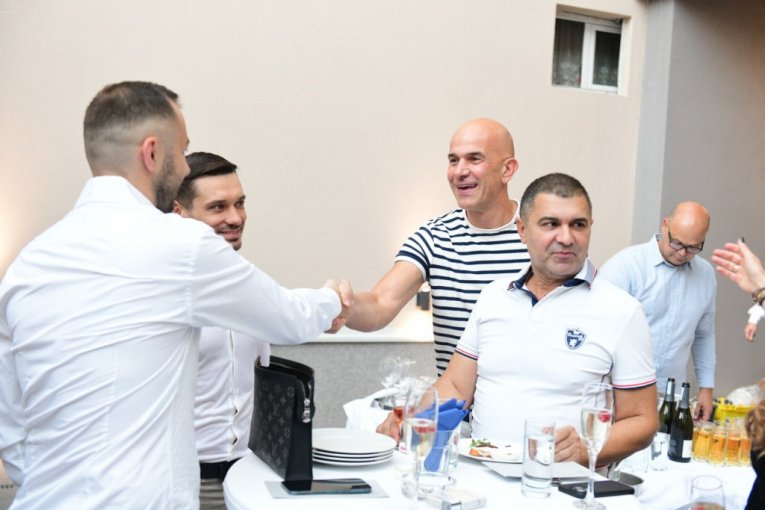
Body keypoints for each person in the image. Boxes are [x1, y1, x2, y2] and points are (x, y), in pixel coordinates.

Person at [0, 81, 349, 509]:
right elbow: (290, 318)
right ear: (152, 153)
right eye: (182, 151)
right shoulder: (180, 245)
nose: (184, 167)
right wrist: (333, 298)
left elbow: (11, 426)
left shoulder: (27, 265)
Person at [378, 173, 658, 467]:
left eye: (578, 224)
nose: (566, 238)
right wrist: (415, 419)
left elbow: (642, 420)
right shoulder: (494, 296)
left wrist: (583, 449)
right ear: (522, 230)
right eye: (550, 224)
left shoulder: (622, 310)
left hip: (562, 483)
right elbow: (457, 387)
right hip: (481, 475)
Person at [344, 118, 529, 375]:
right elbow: (379, 303)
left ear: (507, 170)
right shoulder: (435, 236)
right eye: (453, 160)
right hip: (455, 401)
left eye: (474, 159)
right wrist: (344, 307)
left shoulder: (540, 236)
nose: (459, 171)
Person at [171, 151, 260, 509]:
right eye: (218, 207)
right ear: (179, 213)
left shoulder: (253, 284)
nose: (235, 218)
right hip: (186, 484)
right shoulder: (161, 292)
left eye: (240, 203)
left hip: (251, 476)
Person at [599, 202, 716, 421]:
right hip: (621, 394)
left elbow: (704, 334)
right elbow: (596, 328)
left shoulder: (706, 275)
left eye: (693, 247)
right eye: (677, 243)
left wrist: (706, 388)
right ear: (665, 226)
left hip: (672, 398)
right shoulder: (625, 266)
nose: (682, 253)